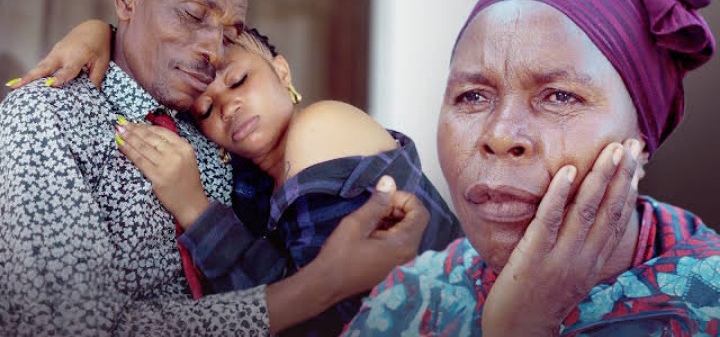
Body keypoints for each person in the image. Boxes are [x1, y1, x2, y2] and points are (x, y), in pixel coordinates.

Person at [0, 0, 430, 336]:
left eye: (229, 34)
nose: (212, 49)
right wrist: (320, 284)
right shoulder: (47, 117)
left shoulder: (214, 129)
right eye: (192, 15)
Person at [343, 0, 720, 336]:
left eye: (559, 96)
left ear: (641, 137)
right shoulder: (406, 305)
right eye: (473, 96)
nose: (501, 134)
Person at [27, 22, 461, 335]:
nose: (228, 107)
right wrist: (102, 31)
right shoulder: (251, 187)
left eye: (238, 80)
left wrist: (195, 209)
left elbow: (320, 314)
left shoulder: (320, 127)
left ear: (283, 72)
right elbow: (287, 298)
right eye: (207, 110)